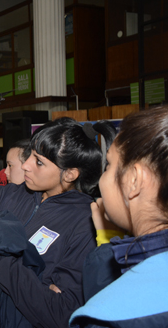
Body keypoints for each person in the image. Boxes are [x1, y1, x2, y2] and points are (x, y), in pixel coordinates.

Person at [0, 117, 116, 327]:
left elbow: (61, 312)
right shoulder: (9, 196)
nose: (25, 165)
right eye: (30, 156)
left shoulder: (84, 221)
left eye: (39, 162)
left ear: (70, 174)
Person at [69, 107, 168, 327]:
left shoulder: (110, 316)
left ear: (134, 180)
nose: (102, 180)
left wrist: (103, 253)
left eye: (109, 165)